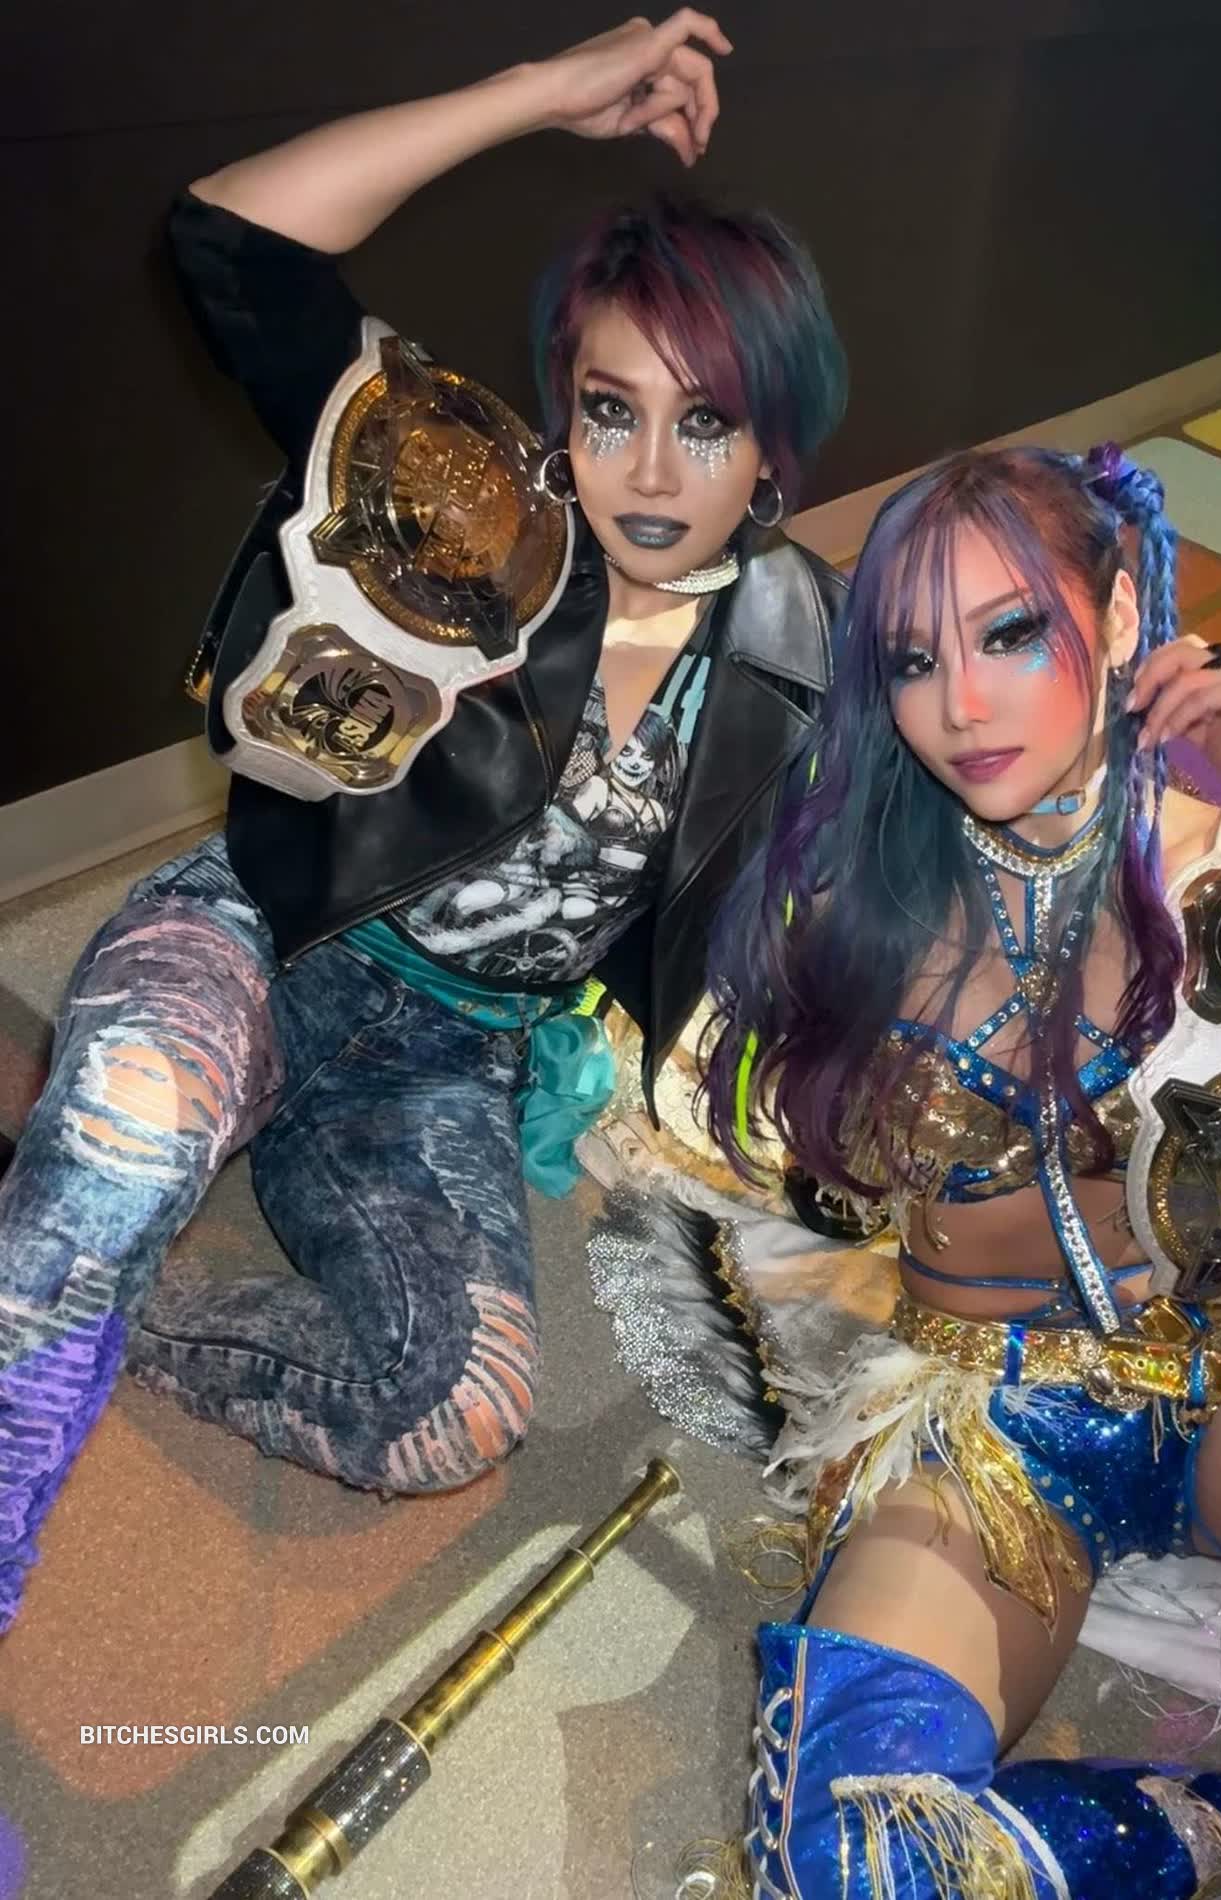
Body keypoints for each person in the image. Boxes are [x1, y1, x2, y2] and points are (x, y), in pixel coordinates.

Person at [0, 13, 849, 1634]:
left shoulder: (807, 647)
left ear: (773, 443)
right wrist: (536, 93)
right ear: (560, 410)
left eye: (706, 420)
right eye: (609, 408)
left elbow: (978, 804)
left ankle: (111, 1291)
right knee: (129, 1126)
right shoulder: (481, 516)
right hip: (274, 930)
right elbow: (234, 241)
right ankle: (63, 1291)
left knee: (450, 1413)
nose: (649, 469)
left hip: (445, 1062)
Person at [691, 445, 1221, 1896]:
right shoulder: (853, 910)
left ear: (1123, 614)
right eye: (915, 659)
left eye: (1011, 632)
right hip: (1005, 1426)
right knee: (851, 1859)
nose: (961, 704)